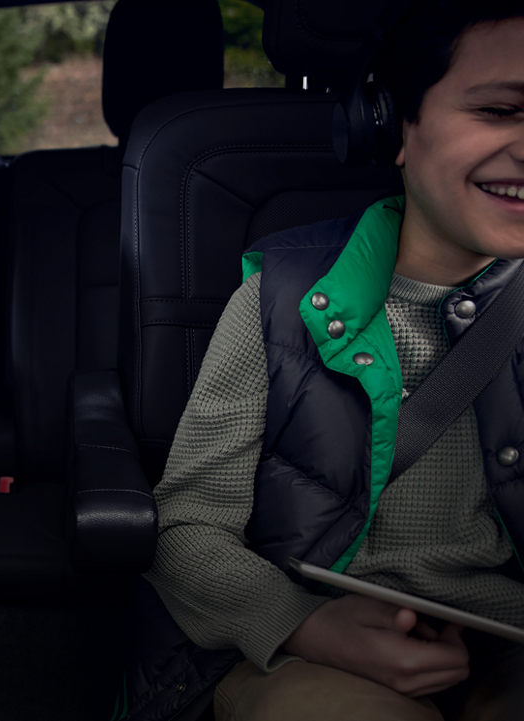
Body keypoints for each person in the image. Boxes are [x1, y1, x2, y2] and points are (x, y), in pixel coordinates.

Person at [136, 2, 524, 720]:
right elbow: (185, 528)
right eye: (501, 110)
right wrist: (304, 622)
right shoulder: (280, 301)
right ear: (393, 124)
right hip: (308, 644)